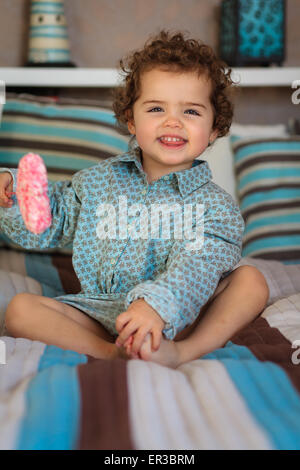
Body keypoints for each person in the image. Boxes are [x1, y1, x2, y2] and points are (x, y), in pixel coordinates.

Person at [0, 30, 269, 368]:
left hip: (181, 315)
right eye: (156, 108)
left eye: (191, 112)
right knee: (21, 309)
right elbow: (51, 222)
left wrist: (155, 306)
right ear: (131, 119)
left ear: (215, 128)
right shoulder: (99, 180)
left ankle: (183, 352)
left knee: (251, 281)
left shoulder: (216, 208)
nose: (173, 121)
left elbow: (197, 267)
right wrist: (16, 193)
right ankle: (115, 353)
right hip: (102, 311)